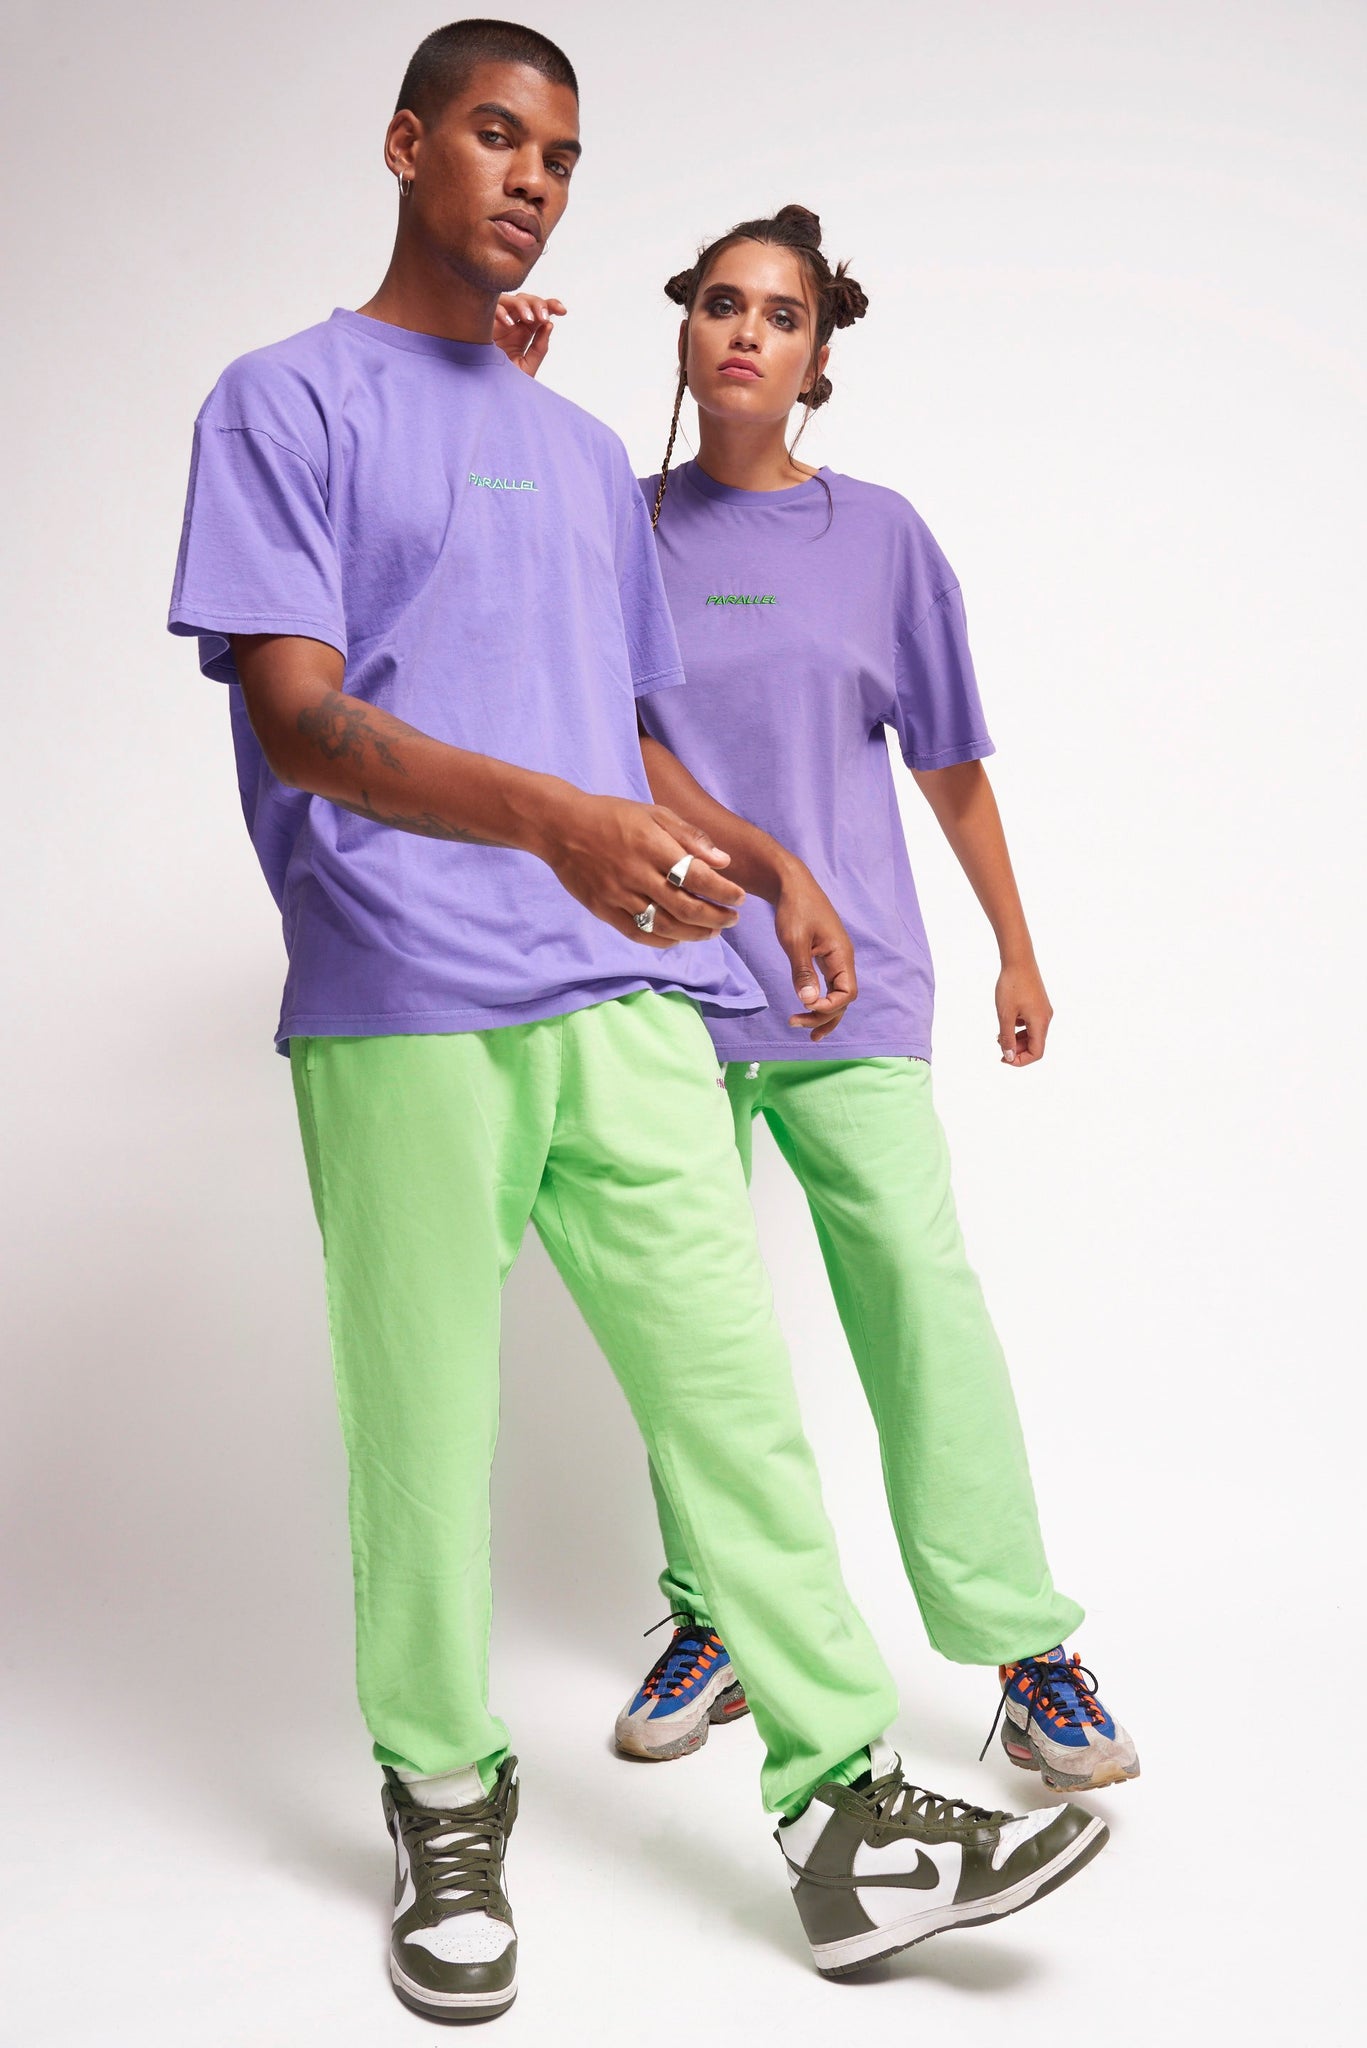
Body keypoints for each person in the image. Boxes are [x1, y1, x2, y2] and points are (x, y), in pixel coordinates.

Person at [168, 23, 1108, 2025]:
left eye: (564, 156)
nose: (531, 177)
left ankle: (846, 1813)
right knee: (428, 1428)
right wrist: (561, 824)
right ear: (409, 145)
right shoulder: (282, 400)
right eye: (496, 135)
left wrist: (762, 862)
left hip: (623, 990)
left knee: (734, 1404)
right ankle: (444, 1796)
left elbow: (621, 741)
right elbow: (303, 722)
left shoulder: (588, 455)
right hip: (405, 992)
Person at [500, 203, 1139, 1797]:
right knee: (698, 1337)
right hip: (658, 984)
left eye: (780, 315)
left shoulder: (883, 539)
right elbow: (518, 650)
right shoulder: (613, 522)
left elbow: (951, 761)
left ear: (817, 357)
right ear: (685, 329)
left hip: (852, 994)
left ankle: (1024, 1649)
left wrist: (1016, 945)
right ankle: (715, 1615)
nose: (746, 333)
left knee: (922, 1304)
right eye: (722, 303)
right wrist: (503, 402)